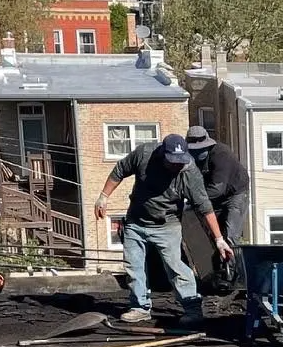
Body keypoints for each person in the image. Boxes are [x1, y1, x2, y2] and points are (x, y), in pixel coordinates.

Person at [94, 133, 234, 325]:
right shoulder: (144, 154)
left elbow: (204, 207)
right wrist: (103, 196)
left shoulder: (188, 172)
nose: (177, 166)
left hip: (167, 225)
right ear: (162, 154)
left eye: (181, 162)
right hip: (136, 222)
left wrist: (219, 239)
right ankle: (140, 308)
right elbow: (120, 170)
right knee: (134, 267)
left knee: (176, 267)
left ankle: (192, 309)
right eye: (173, 162)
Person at [186, 125, 251, 292]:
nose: (196, 153)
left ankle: (238, 277)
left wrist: (193, 199)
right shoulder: (190, 159)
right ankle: (217, 273)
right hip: (213, 198)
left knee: (230, 235)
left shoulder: (221, 154)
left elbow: (217, 188)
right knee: (213, 234)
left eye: (200, 149)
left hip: (235, 195)